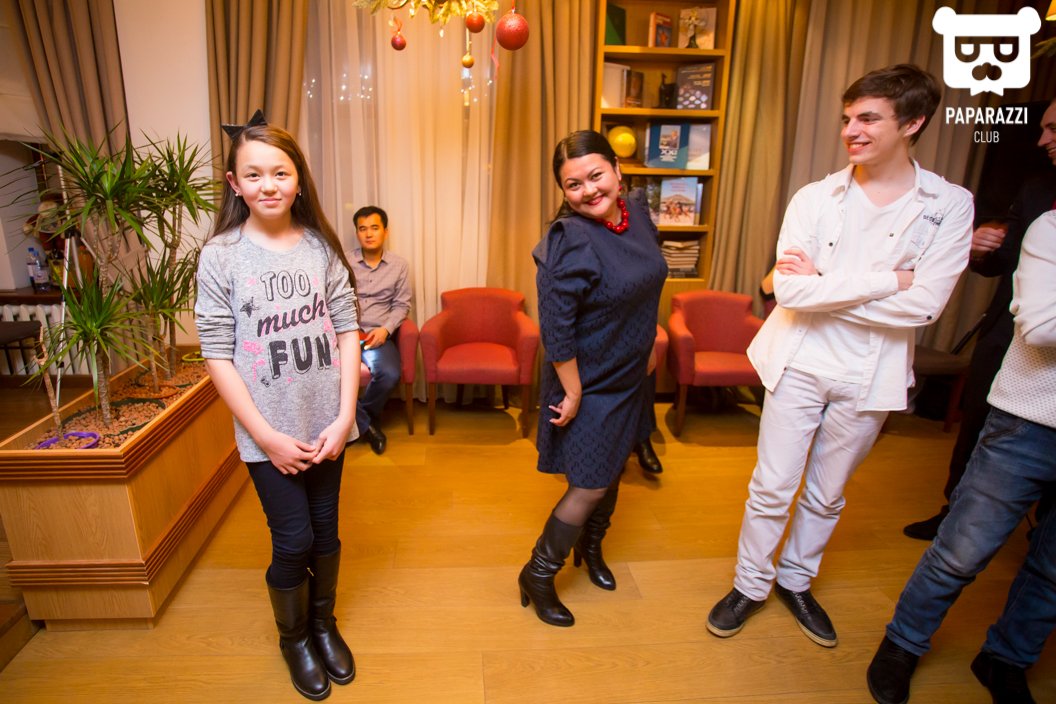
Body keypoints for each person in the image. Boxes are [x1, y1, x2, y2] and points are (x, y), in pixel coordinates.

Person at [705, 65, 974, 648]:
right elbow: (788, 290)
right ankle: (751, 584)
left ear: (912, 123)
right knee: (772, 486)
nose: (851, 130)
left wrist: (824, 284)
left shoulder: (949, 205)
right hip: (800, 360)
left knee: (827, 494)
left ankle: (795, 581)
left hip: (871, 372)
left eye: (868, 119)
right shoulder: (814, 197)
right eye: (848, 118)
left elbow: (926, 305)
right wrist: (890, 280)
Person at [195, 114, 359, 701]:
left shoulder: (320, 247)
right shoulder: (220, 256)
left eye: (281, 173)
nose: (269, 184)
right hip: (268, 436)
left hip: (328, 426)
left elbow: (347, 330)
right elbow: (216, 353)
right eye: (254, 174)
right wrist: (265, 436)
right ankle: (294, 638)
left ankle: (323, 623)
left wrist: (345, 417)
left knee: (327, 535)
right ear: (235, 184)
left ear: (298, 178)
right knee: (293, 540)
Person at [866, 210, 1056, 704]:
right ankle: (903, 642)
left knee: (1053, 569)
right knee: (961, 551)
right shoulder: (1051, 228)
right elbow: (1041, 327)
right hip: (1029, 423)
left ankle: (1006, 658)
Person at [519, 130, 667, 626]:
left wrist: (650, 343)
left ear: (618, 171)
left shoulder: (637, 213)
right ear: (563, 192)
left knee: (613, 469)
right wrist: (574, 389)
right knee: (587, 484)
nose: (588, 190)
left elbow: (647, 286)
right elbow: (556, 329)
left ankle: (592, 547)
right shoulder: (570, 240)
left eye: (596, 175)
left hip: (632, 373)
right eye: (573, 184)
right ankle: (538, 574)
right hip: (589, 381)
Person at [903, 97, 1056, 541]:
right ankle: (954, 513)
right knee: (976, 429)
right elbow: (1002, 263)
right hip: (1007, 336)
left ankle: (1041, 536)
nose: (1041, 140)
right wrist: (981, 247)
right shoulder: (1036, 188)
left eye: (1052, 130)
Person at [345, 205, 411, 455]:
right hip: (346, 335)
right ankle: (370, 427)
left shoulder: (399, 265)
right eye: (363, 229)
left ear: (385, 231)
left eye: (374, 228)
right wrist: (346, 331)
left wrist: (386, 330)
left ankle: (360, 420)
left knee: (390, 373)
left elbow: (402, 304)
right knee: (325, 375)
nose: (369, 234)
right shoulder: (344, 261)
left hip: (377, 335)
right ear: (357, 233)